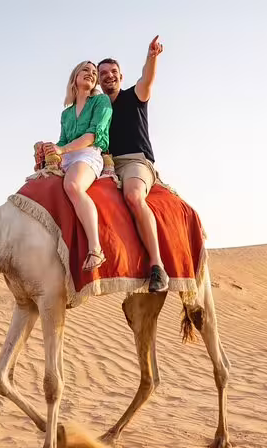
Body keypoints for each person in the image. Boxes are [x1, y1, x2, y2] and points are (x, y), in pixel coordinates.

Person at [97, 35, 169, 293]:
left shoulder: (135, 95)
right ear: (97, 79)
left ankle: (157, 266)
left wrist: (152, 57)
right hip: (105, 165)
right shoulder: (98, 111)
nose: (109, 76)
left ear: (121, 76)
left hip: (135, 162)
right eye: (103, 73)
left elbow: (147, 79)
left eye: (113, 72)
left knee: (133, 196)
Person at [36, 60, 113, 271]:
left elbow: (92, 136)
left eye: (94, 72)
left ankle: (96, 249)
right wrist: (50, 149)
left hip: (89, 154)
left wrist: (62, 150)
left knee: (73, 186)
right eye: (85, 70)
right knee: (38, 187)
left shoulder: (101, 102)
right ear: (75, 77)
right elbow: (62, 141)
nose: (91, 73)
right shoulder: (66, 114)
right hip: (68, 155)